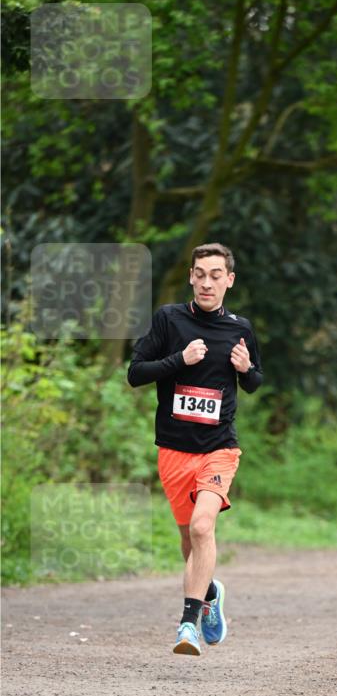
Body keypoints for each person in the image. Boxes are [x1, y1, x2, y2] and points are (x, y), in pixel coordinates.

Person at [128, 243, 263, 654]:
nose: (207, 282)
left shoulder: (239, 329)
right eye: (200, 273)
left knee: (204, 527)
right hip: (173, 449)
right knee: (190, 541)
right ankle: (209, 595)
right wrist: (179, 360)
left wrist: (246, 370)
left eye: (216, 274)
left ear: (229, 280)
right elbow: (136, 373)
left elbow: (255, 381)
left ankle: (187, 625)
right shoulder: (169, 319)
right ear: (191, 276)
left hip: (219, 448)